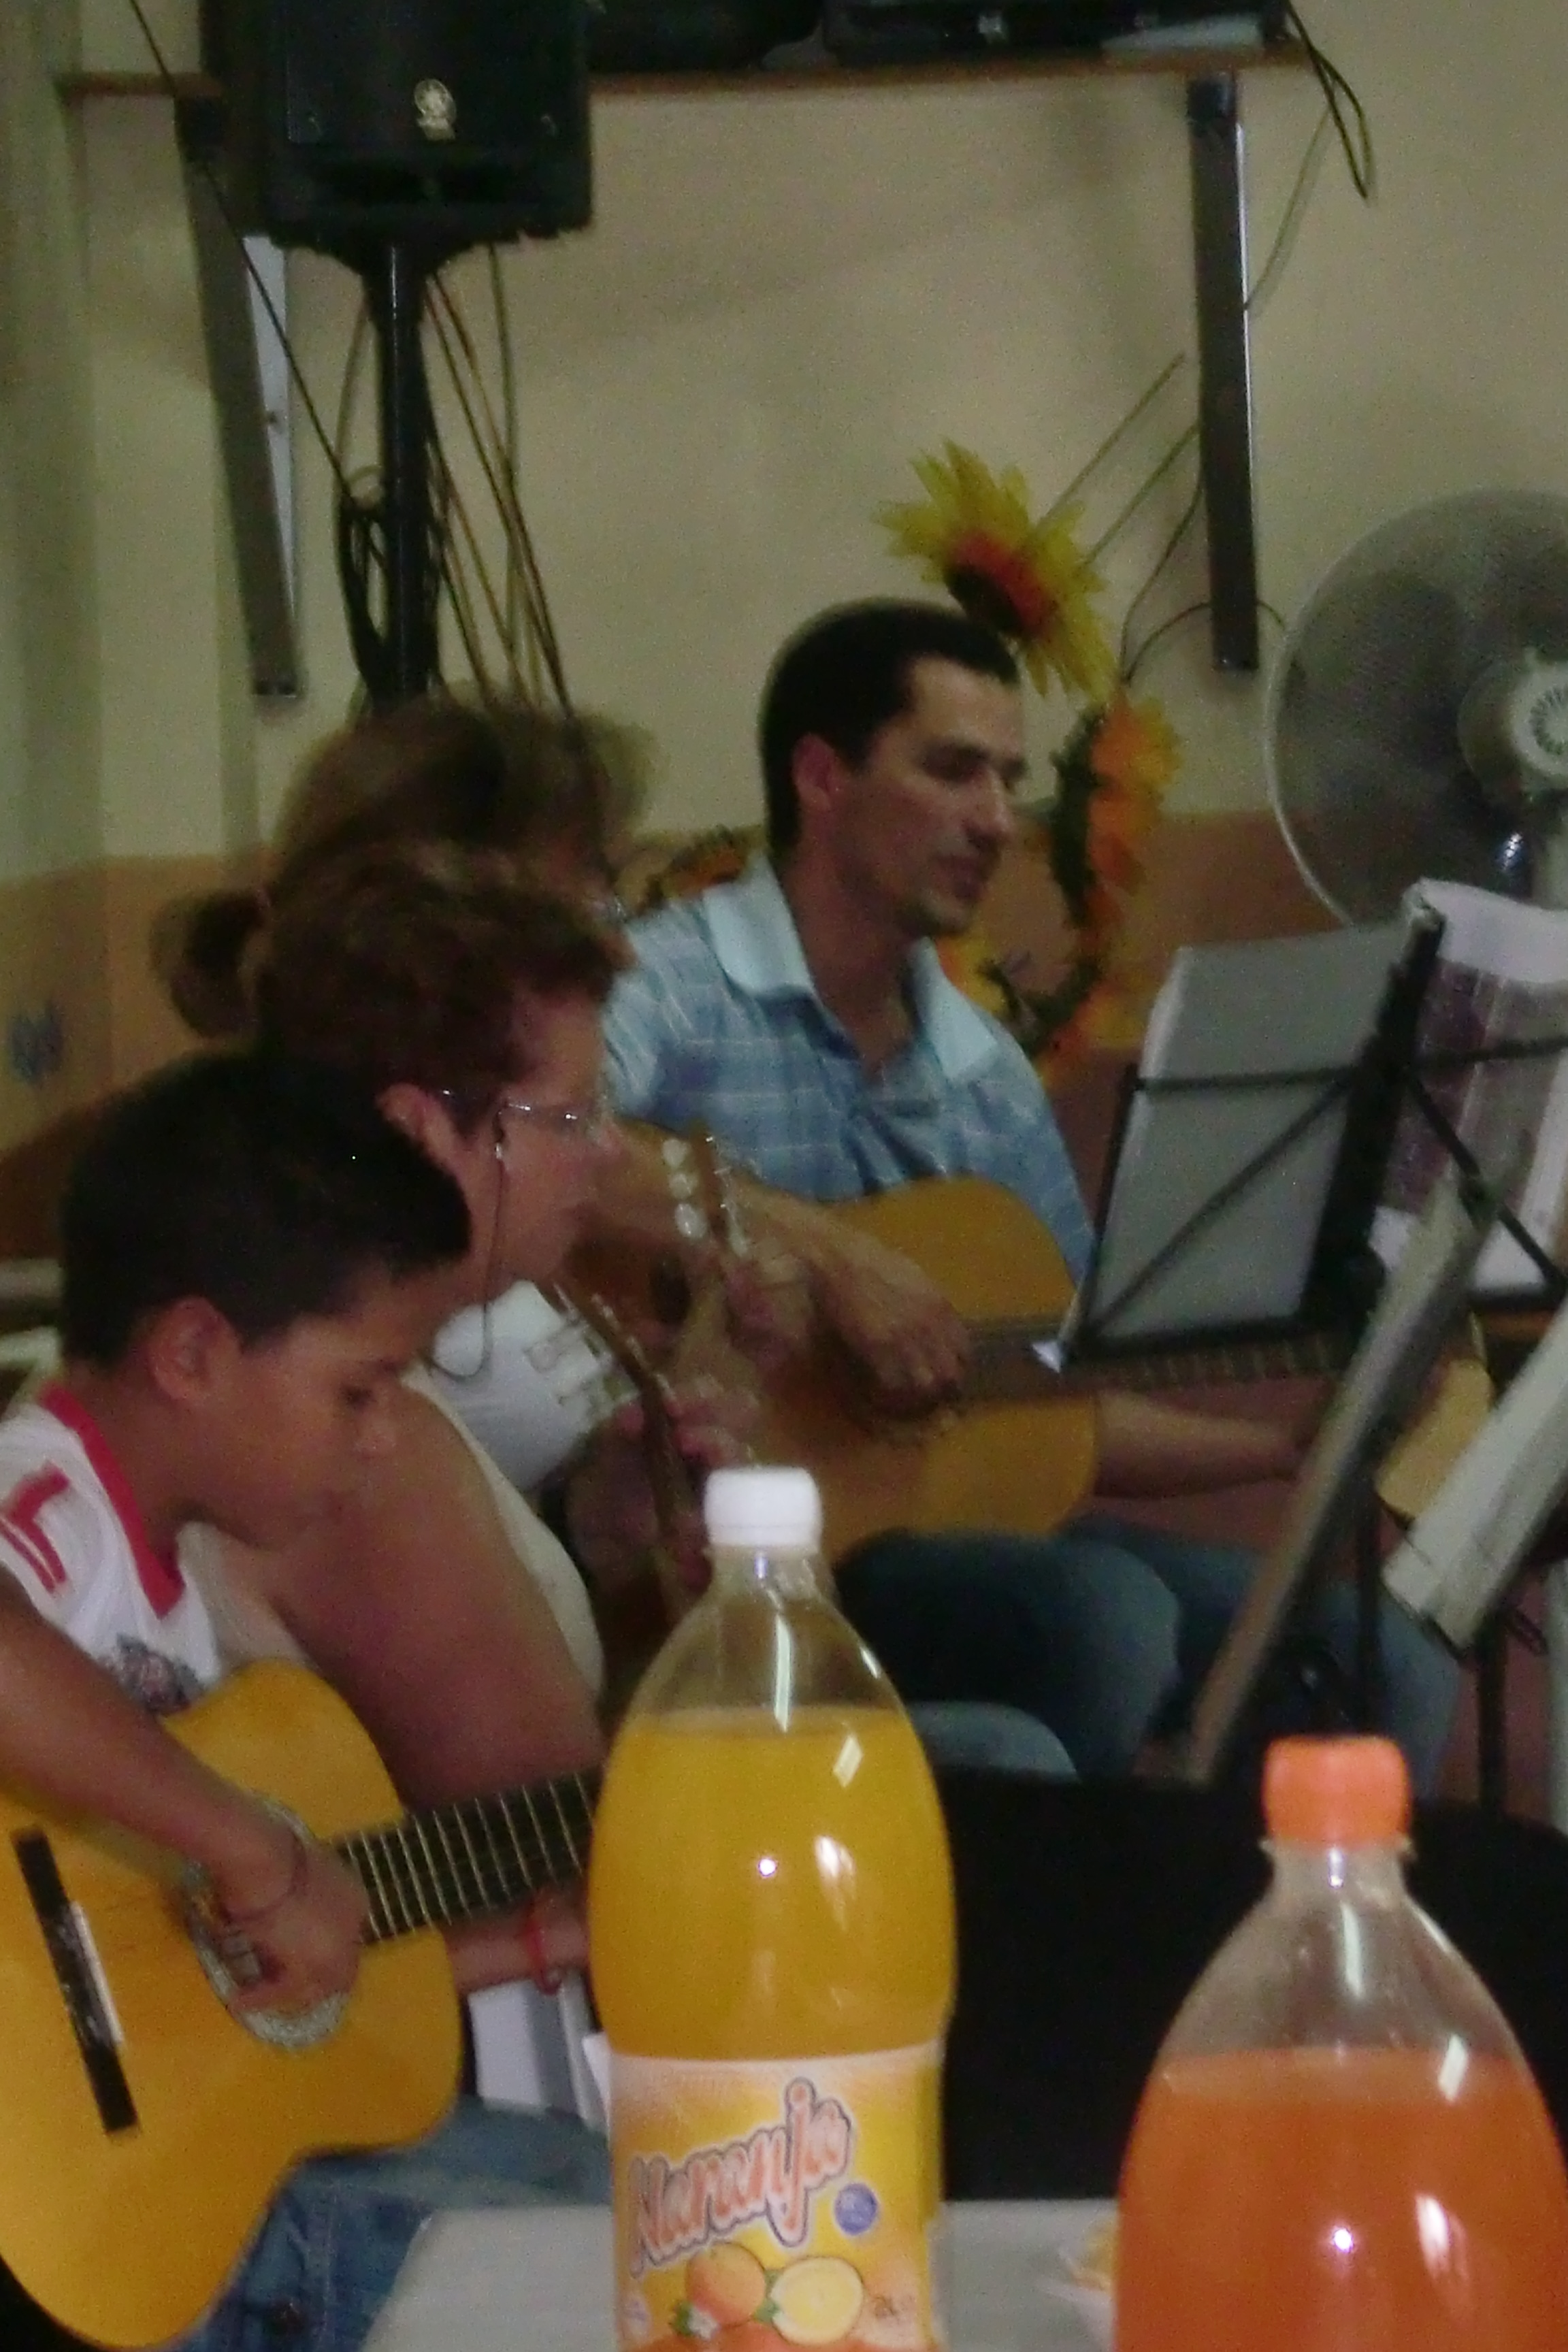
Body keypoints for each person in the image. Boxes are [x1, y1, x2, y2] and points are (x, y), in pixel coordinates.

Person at [600, 598, 1463, 1790]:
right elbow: (540, 1142)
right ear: (822, 776)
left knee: (1380, 1661)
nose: (997, 821)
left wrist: (1287, 1447)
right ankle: (1043, 1899)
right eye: (954, 771)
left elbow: (1060, 1382)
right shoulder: (668, 984)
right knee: (1102, 1618)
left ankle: (1238, 1910)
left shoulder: (981, 1073)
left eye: (1008, 782)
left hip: (953, 1546)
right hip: (718, 1549)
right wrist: (831, 1258)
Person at [0, 1051, 610, 2352]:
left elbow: (201, 1986)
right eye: (359, 1389)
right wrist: (255, 1849)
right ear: (193, 1352)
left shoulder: (169, 1569)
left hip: (141, 2191)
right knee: (603, 2248)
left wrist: (538, 1938)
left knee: (604, 2187)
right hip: (60, 2236)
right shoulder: (47, 1503)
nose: (385, 1438)